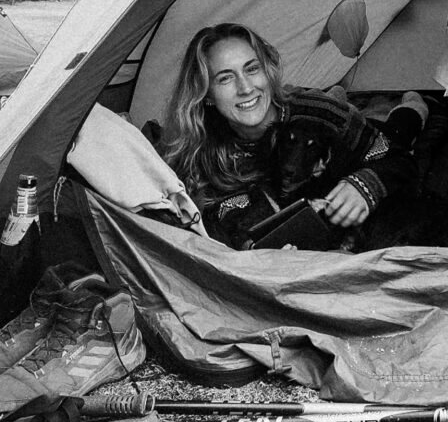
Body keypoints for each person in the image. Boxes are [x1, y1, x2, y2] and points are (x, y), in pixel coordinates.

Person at [161, 22, 424, 251]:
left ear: (268, 71)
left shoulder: (319, 113)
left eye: (252, 69)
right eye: (225, 78)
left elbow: (398, 158)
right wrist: (255, 249)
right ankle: (340, 91)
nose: (245, 88)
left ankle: (413, 105)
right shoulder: (201, 151)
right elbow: (216, 221)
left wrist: (365, 186)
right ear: (206, 93)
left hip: (358, 128)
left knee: (401, 129)